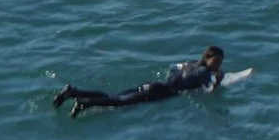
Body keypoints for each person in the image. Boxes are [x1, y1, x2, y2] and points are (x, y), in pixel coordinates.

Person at [55, 47, 227, 117]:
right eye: (217, 61)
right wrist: (218, 82)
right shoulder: (204, 72)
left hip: (154, 84)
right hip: (160, 92)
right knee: (118, 103)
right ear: (207, 58)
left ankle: (73, 91)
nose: (218, 65)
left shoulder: (189, 63)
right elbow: (209, 91)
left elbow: (172, 67)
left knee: (113, 96)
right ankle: (85, 104)